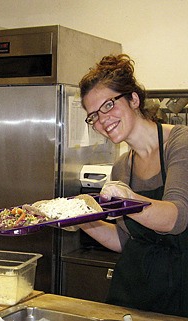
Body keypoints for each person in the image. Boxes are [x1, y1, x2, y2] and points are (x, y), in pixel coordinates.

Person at [78, 54, 188, 317]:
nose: (102, 121)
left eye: (108, 105)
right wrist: (83, 218)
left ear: (133, 99)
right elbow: (126, 241)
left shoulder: (179, 143)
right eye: (93, 115)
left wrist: (129, 201)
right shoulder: (121, 167)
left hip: (180, 293)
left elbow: (176, 218)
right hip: (133, 292)